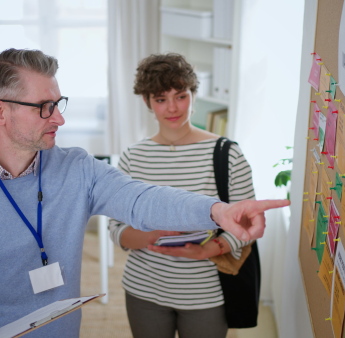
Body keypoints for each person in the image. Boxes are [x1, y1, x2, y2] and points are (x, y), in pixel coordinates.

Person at [0, 48, 289, 338]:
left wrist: (216, 211)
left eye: (58, 104)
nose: (59, 118)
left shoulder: (77, 168)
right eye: (45, 107)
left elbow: (142, 199)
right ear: (0, 111)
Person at [108, 53, 256, 338]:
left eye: (181, 96)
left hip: (207, 293)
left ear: (194, 95)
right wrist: (153, 234)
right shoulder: (133, 157)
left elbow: (248, 223)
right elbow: (116, 229)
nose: (172, 108)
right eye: (161, 99)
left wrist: (207, 250)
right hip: (143, 291)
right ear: (147, 102)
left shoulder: (227, 154)